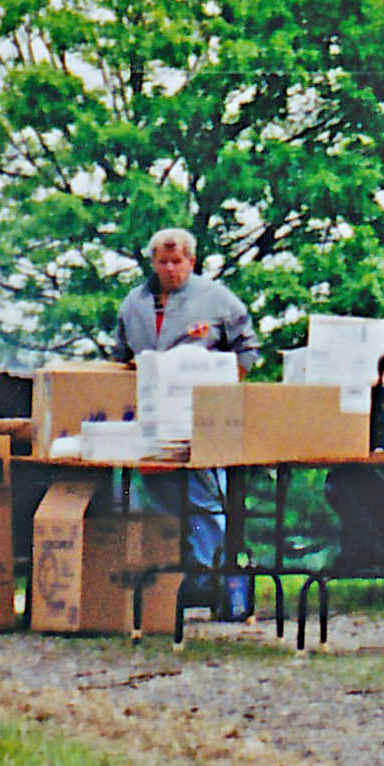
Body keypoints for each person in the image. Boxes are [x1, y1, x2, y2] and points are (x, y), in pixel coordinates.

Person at [116, 226, 258, 620]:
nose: (170, 269)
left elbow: (248, 349)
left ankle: (220, 578)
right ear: (153, 262)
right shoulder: (133, 304)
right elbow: (120, 356)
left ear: (191, 261)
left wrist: (224, 390)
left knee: (207, 499)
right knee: (159, 493)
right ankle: (185, 576)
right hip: (152, 421)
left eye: (177, 261)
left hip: (203, 422)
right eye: (163, 262)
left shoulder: (217, 299)